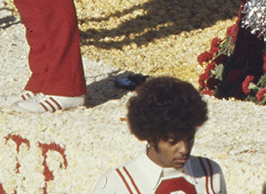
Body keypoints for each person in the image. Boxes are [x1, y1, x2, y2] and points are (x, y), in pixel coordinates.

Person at [90, 76, 224, 194]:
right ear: (151, 138)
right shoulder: (116, 185)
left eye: (189, 138)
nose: (184, 149)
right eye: (173, 141)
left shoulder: (210, 172)